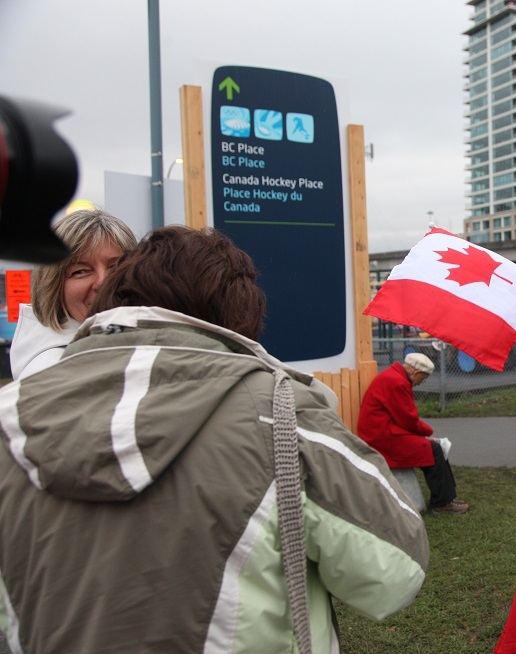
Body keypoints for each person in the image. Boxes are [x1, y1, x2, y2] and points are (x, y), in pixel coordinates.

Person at [0, 226, 428, 654]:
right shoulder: (280, 412)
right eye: (81, 270)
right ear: (240, 310)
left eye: (114, 268)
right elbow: (395, 571)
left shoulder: (10, 416)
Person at [9, 208, 137, 379]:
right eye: (81, 271)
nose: (104, 282)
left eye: (117, 266)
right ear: (53, 288)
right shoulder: (55, 375)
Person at [358, 352, 469, 515]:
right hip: (382, 437)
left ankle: (446, 499)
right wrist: (428, 432)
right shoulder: (397, 382)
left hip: (382, 431)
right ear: (416, 373)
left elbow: (403, 418)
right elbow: (408, 419)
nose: (420, 383)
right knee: (435, 450)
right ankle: (442, 503)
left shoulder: (393, 376)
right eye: (423, 379)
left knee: (434, 449)